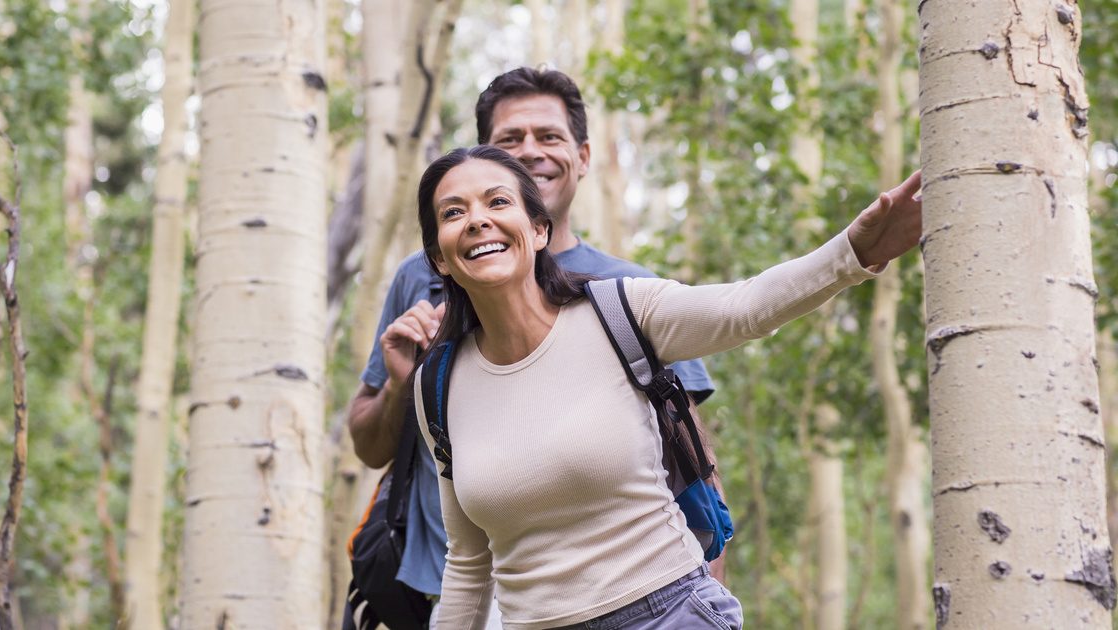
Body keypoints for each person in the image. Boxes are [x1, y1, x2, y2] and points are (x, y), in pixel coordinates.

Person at [407, 145, 921, 629]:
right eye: (453, 213)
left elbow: (745, 308)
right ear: (440, 259)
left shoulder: (620, 311)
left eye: (498, 202)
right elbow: (470, 563)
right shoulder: (437, 383)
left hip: (667, 614)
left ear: (539, 230)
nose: (477, 220)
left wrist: (854, 251)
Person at [347, 68, 716, 626]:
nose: (531, 154)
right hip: (440, 587)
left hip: (607, 597)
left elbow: (693, 462)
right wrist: (405, 383)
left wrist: (706, 595)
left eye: (549, 137)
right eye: (510, 142)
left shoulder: (626, 294)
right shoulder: (423, 278)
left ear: (584, 156)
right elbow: (370, 446)